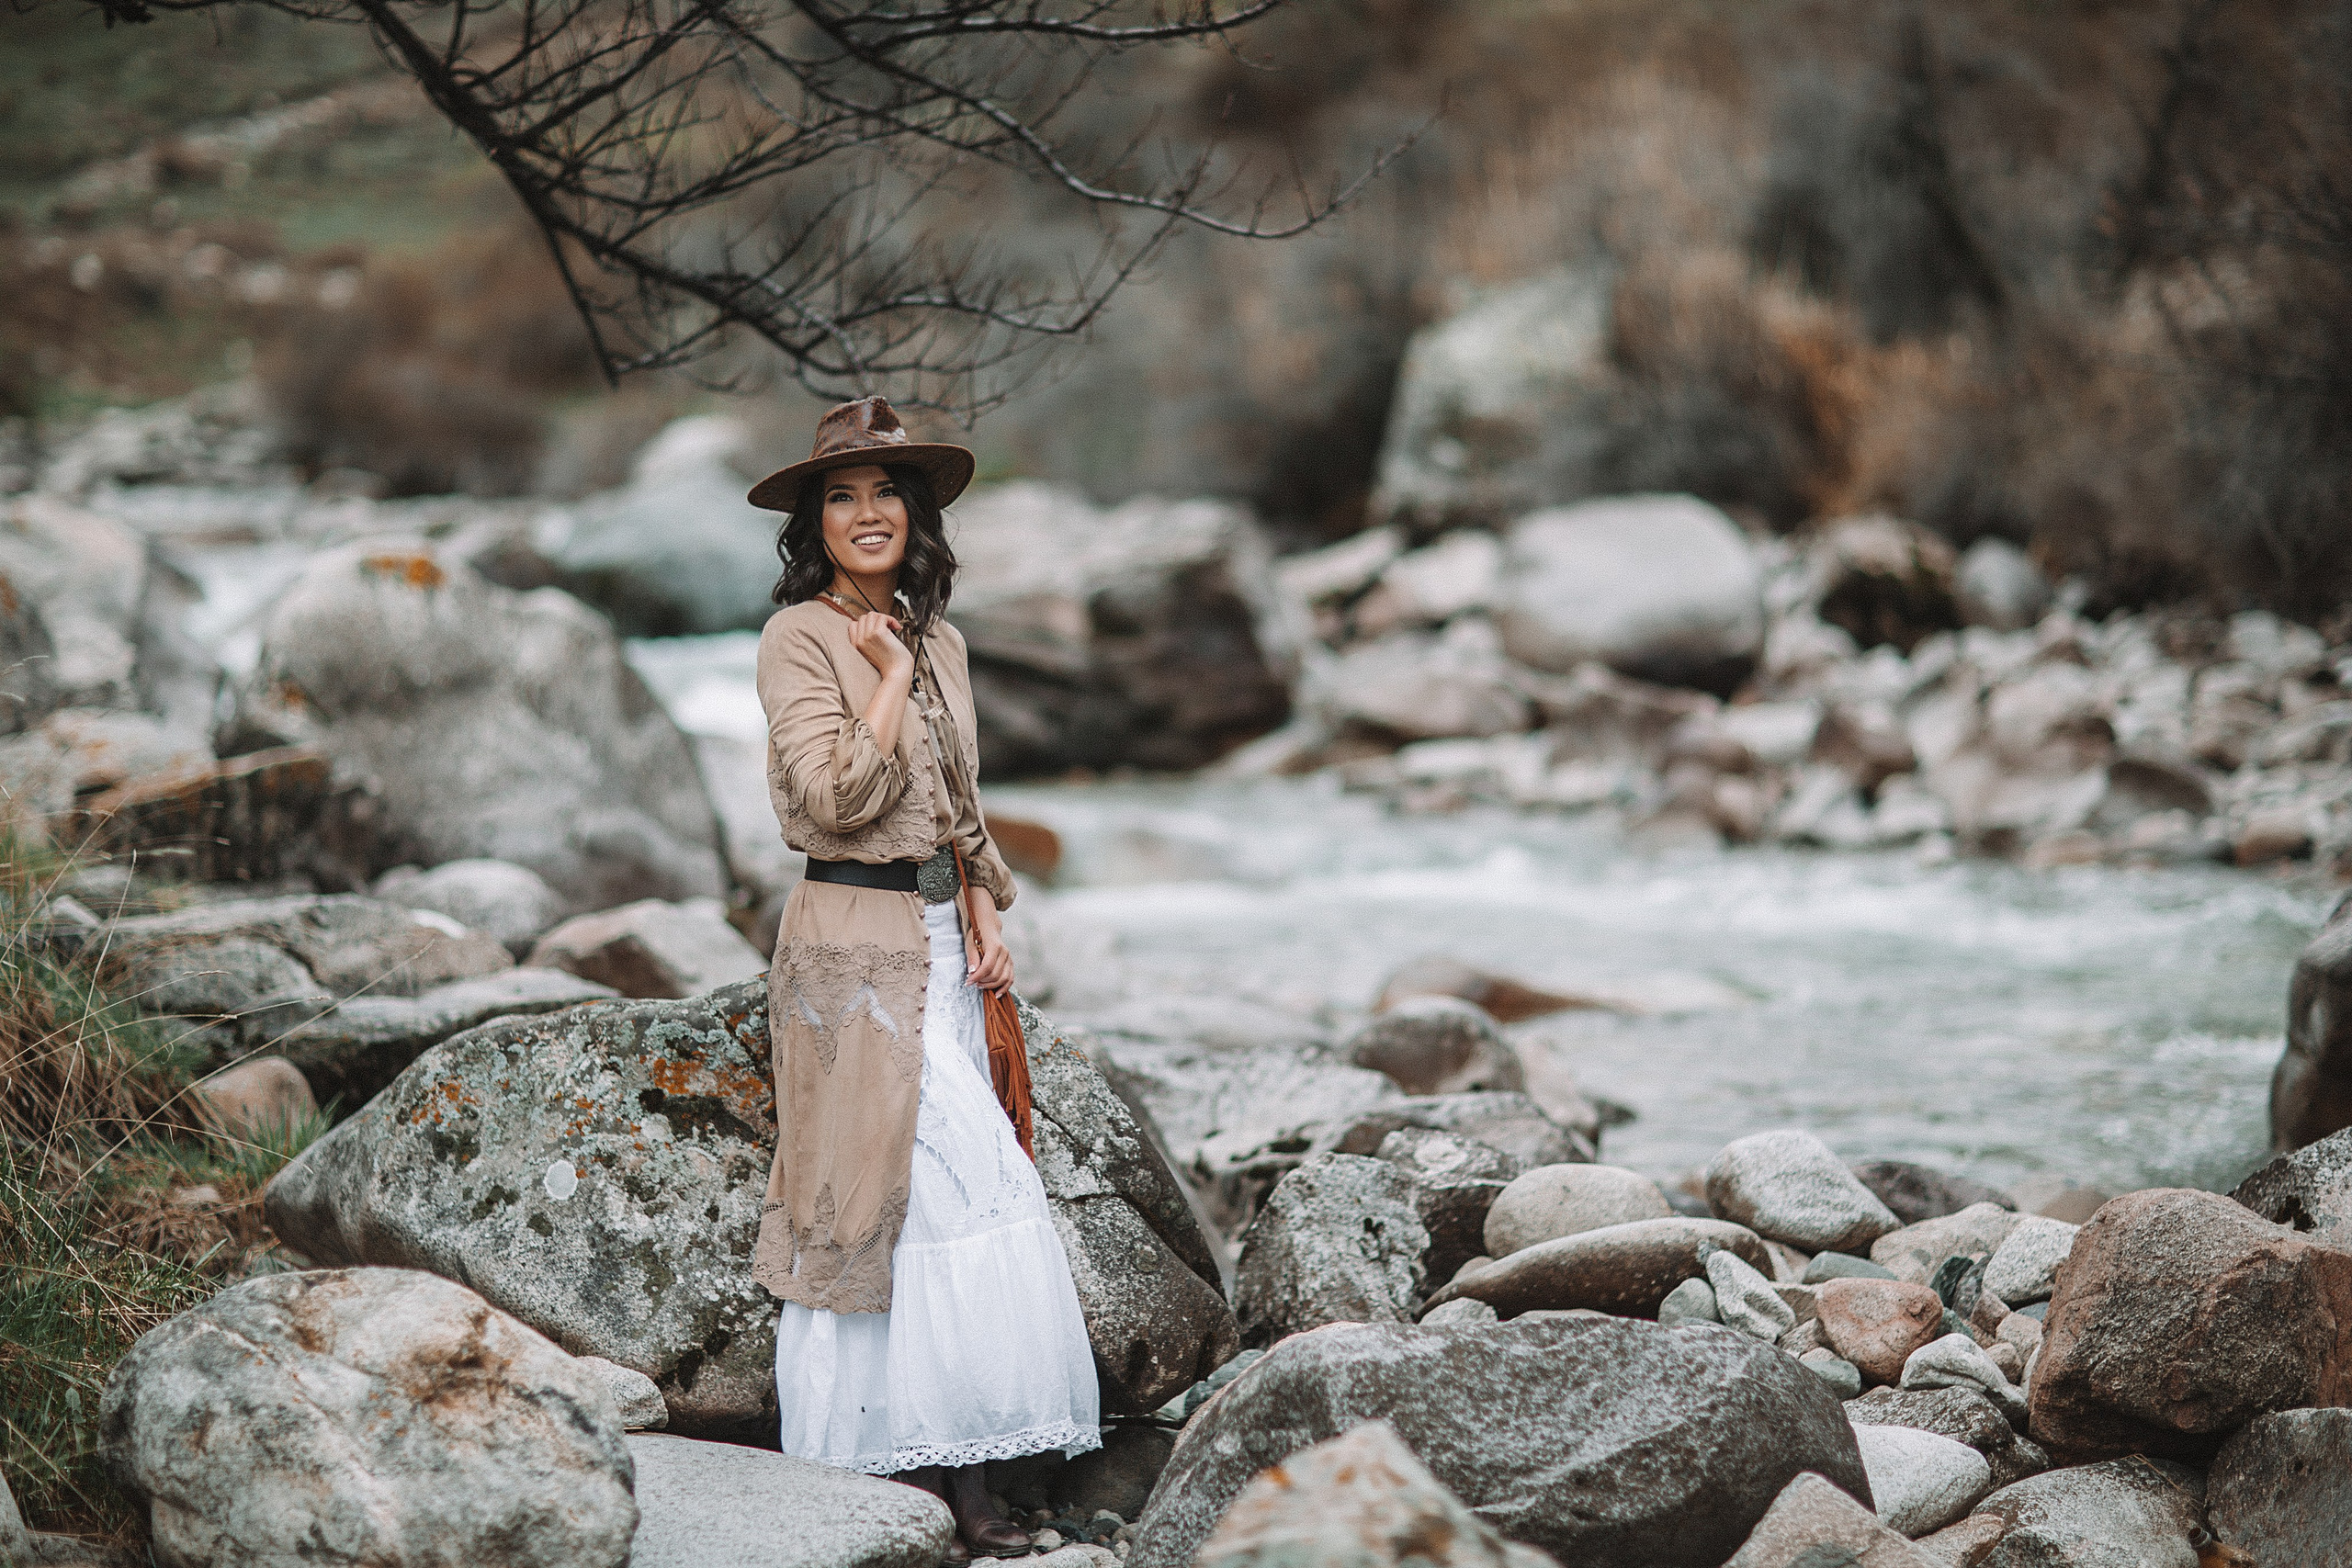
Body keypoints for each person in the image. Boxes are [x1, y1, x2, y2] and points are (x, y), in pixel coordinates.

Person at [744, 396, 1100, 1561]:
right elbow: (834, 800)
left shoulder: (941, 634)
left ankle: (978, 1465)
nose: (864, 513)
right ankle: (921, 1473)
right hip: (848, 946)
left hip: (944, 948)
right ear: (814, 520)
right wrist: (885, 674)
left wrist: (988, 899)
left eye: (883, 492)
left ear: (918, 511)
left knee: (983, 1190)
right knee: (900, 1197)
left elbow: (958, 801)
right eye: (839, 496)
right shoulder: (799, 636)